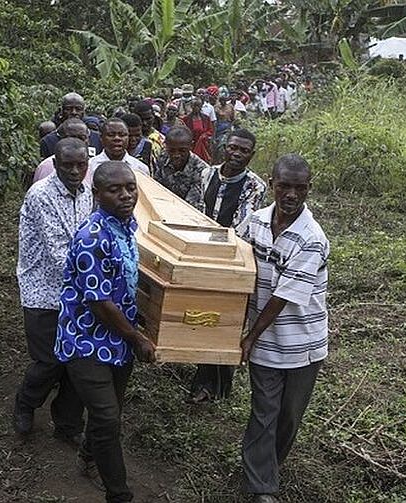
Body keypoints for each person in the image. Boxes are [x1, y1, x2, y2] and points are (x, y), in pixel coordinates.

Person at [55, 161, 157, 502]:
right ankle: (119, 493)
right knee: (108, 418)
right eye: (115, 190)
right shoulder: (91, 237)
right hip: (85, 340)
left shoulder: (127, 226)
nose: (126, 195)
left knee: (109, 410)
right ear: (97, 195)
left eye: (130, 187)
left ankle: (87, 455)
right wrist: (138, 337)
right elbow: (101, 304)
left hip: (117, 339)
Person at [238, 154, 329, 503]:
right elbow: (238, 257)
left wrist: (248, 335)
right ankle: (261, 486)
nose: (291, 194)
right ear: (271, 183)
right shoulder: (256, 221)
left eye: (299, 188)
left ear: (308, 189)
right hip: (264, 343)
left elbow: (281, 297)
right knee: (265, 411)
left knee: (289, 417)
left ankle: (268, 465)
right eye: (284, 186)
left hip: (302, 343)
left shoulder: (311, 238)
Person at [14, 138, 93, 447]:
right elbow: (59, 253)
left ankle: (68, 423)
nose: (75, 171)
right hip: (43, 290)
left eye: (80, 165)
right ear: (55, 164)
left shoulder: (86, 192)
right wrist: (99, 281)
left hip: (76, 292)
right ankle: (26, 403)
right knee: (49, 360)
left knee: (77, 362)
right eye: (67, 165)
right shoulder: (41, 195)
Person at [188, 129, 266, 404]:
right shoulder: (207, 174)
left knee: (226, 319)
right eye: (233, 148)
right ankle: (203, 380)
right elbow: (196, 211)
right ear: (224, 147)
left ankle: (214, 385)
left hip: (234, 258)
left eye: (243, 151)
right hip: (203, 253)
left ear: (251, 155)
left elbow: (243, 226)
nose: (236, 154)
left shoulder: (255, 186)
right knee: (206, 314)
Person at [152, 125, 209, 210]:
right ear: (166, 146)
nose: (176, 155)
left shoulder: (202, 171)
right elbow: (156, 188)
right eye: (172, 150)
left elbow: (191, 206)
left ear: (191, 146)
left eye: (182, 150)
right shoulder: (163, 158)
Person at [87, 118, 150, 183]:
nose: (117, 138)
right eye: (111, 135)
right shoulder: (90, 166)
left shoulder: (140, 168)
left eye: (122, 135)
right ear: (101, 137)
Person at [33, 118, 93, 185]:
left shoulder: (93, 165)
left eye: (81, 138)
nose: (76, 141)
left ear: (88, 141)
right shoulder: (46, 167)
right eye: (70, 138)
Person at [134, 101, 165, 171]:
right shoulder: (128, 140)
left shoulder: (161, 140)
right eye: (141, 119)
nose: (144, 123)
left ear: (153, 117)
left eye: (148, 119)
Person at [182, 96, 213, 163]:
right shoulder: (186, 119)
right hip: (191, 143)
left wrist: (204, 136)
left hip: (204, 144)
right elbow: (184, 130)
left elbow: (210, 130)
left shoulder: (206, 118)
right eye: (194, 106)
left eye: (198, 106)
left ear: (201, 107)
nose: (196, 108)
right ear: (191, 107)